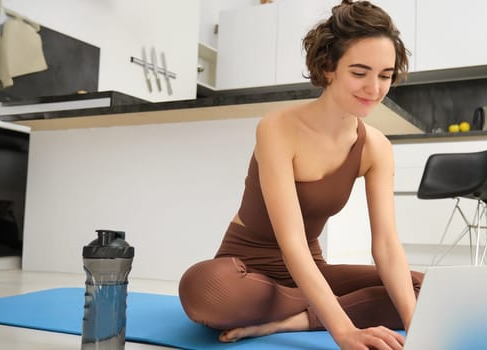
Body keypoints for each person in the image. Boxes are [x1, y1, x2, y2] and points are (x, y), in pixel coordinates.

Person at [178, 1, 423, 349]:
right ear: (327, 68)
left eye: (385, 75)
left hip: (310, 271)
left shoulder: (376, 147)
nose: (374, 88)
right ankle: (318, 311)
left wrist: (419, 329)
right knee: (206, 291)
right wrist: (343, 330)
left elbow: (385, 245)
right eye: (359, 72)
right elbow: (291, 242)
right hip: (247, 271)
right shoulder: (277, 128)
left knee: (420, 289)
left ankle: (291, 321)